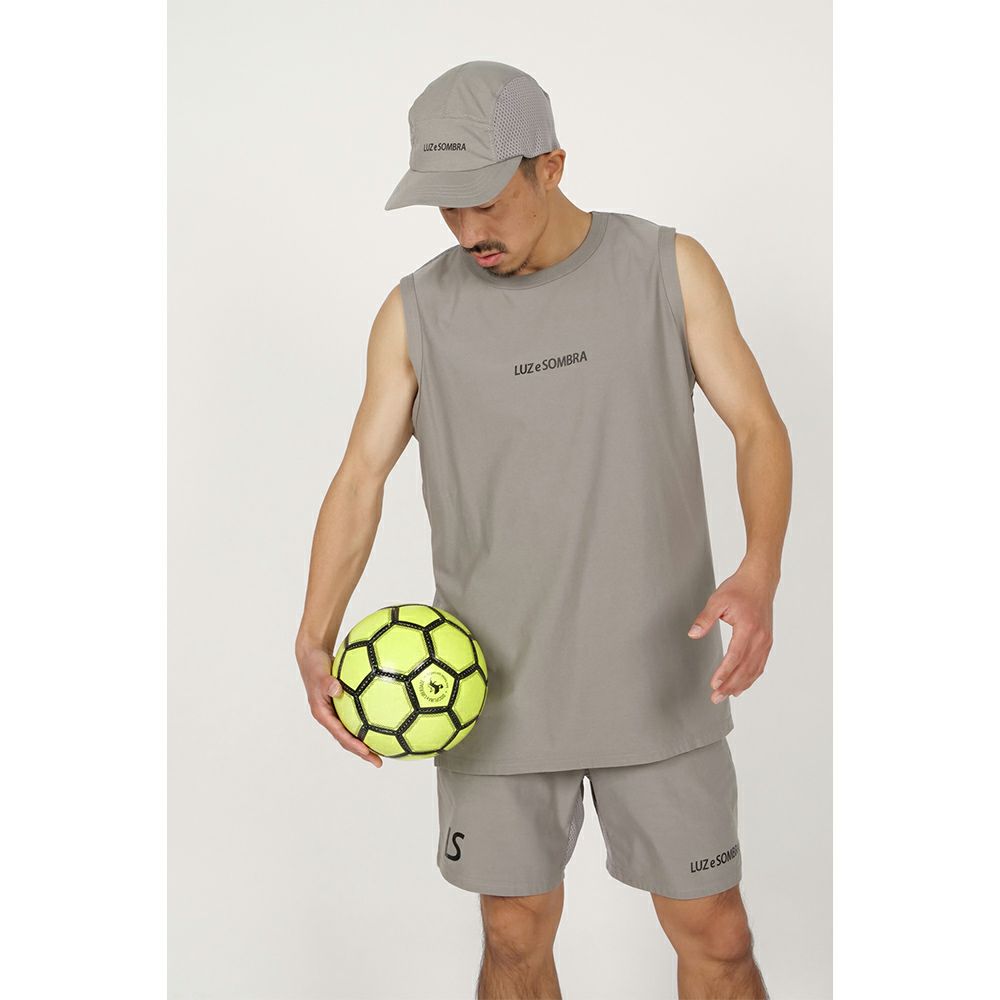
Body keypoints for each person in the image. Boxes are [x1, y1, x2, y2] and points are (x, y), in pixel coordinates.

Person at [295, 60, 791, 1000]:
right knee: (514, 937)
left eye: (486, 201)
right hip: (487, 691)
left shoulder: (665, 267)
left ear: (551, 165)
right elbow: (360, 479)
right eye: (447, 208)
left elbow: (759, 427)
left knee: (719, 937)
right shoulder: (415, 313)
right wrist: (313, 635)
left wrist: (758, 569)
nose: (468, 231)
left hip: (657, 679)